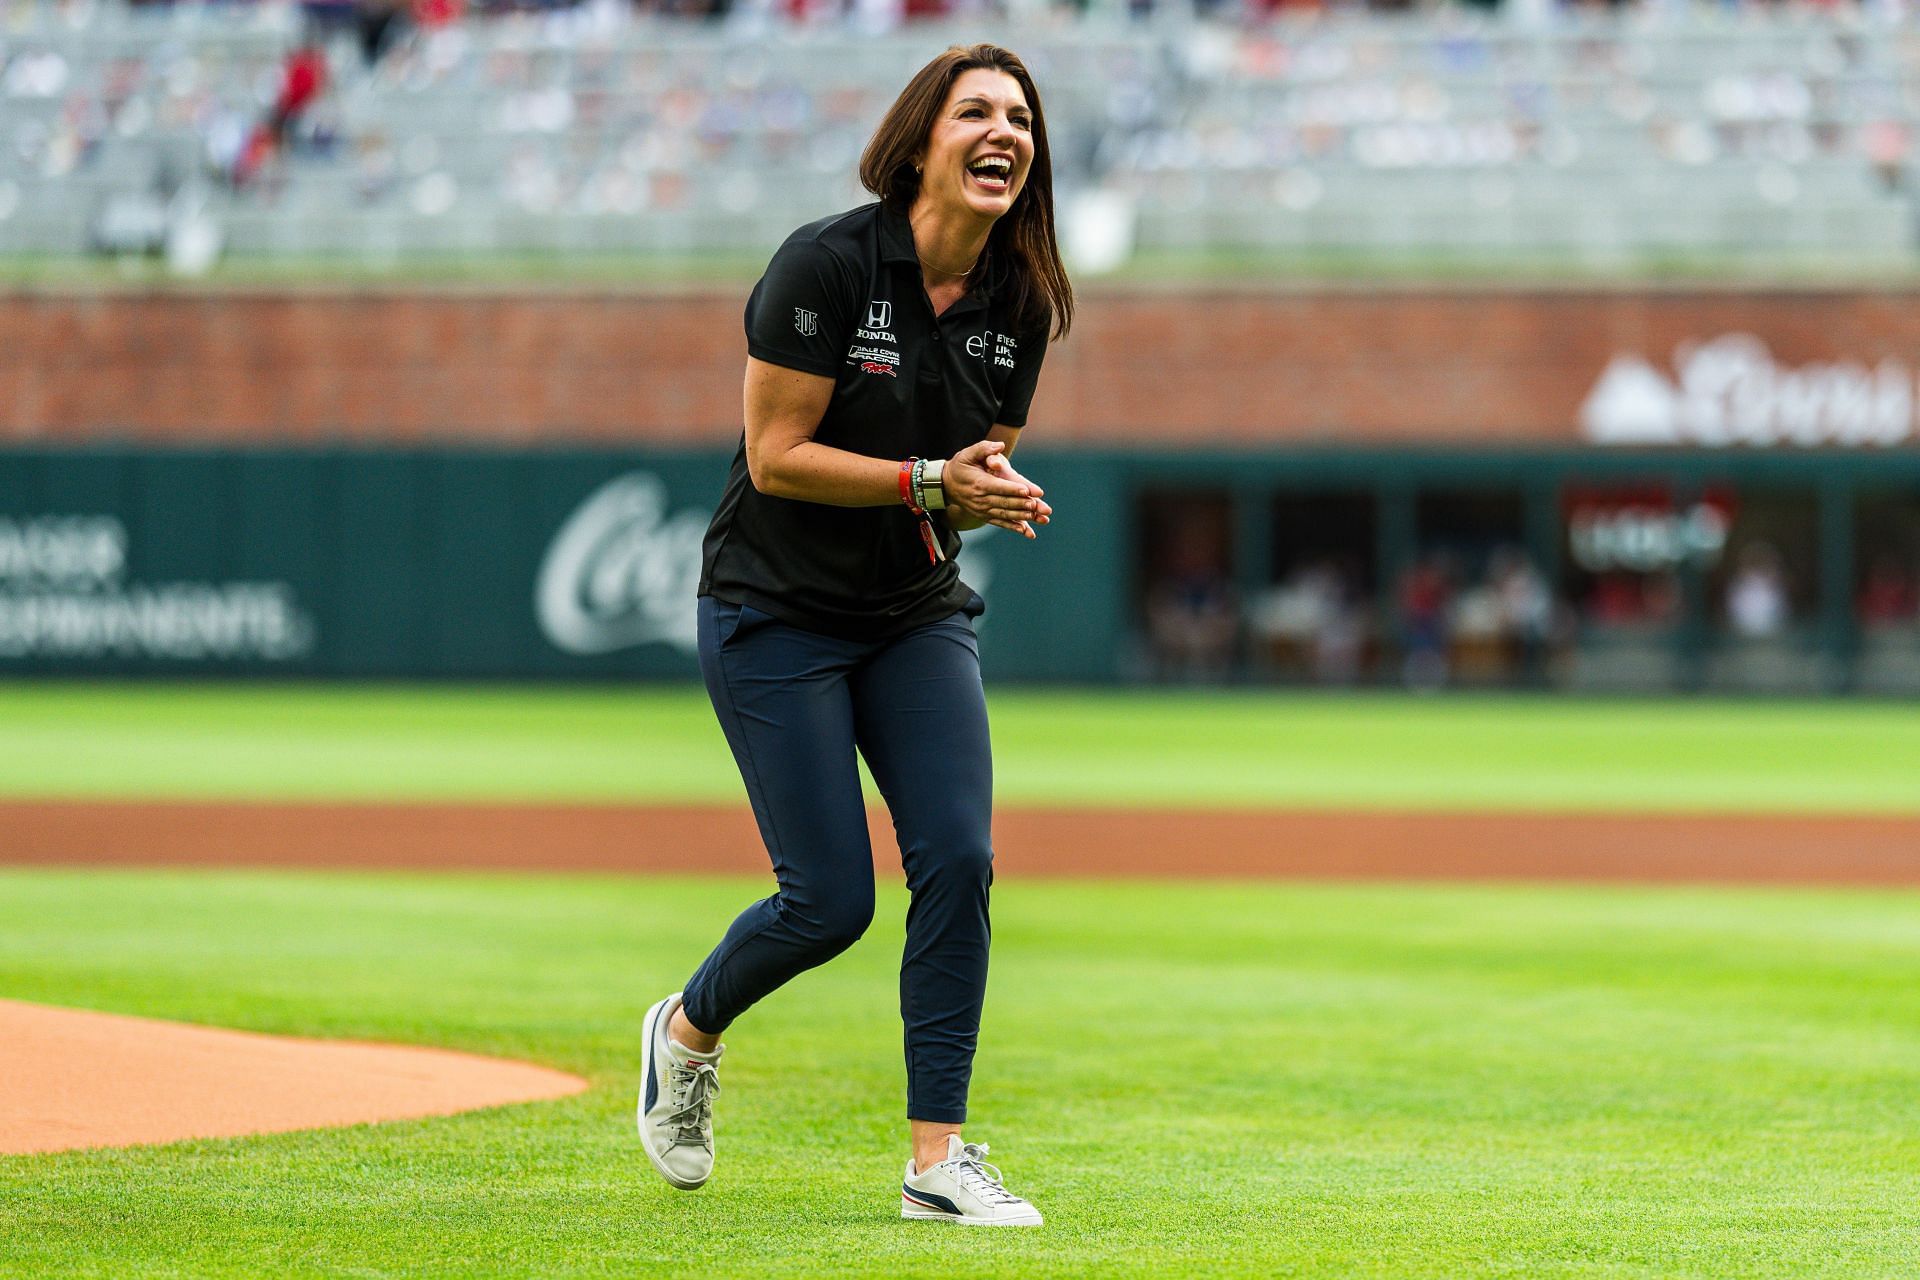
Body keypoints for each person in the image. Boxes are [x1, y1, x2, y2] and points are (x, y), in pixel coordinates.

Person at [637, 44, 1072, 1228]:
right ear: (919, 140)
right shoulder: (825, 265)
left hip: (911, 612)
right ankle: (684, 1031)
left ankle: (939, 1159)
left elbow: (975, 458)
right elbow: (777, 460)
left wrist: (987, 485)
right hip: (770, 608)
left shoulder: (1021, 300)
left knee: (961, 857)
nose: (1005, 131)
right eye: (976, 111)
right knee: (829, 902)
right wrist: (936, 479)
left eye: (1021, 119)